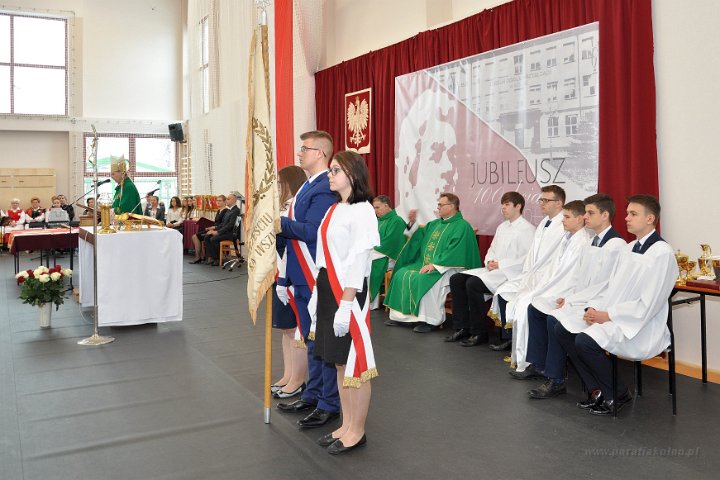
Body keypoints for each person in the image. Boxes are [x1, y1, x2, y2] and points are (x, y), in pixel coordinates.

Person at [551, 195, 677, 415]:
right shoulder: (629, 248)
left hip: (639, 324)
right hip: (615, 314)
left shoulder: (662, 253)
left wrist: (608, 315)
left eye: (633, 214)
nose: (626, 218)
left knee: (584, 341)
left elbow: (649, 304)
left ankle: (618, 393)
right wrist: (593, 309)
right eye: (627, 213)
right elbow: (611, 288)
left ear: (650, 219)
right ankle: (598, 390)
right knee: (563, 329)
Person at [526, 193, 625, 399]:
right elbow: (580, 278)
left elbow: (607, 286)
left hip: (599, 305)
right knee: (548, 314)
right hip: (583, 300)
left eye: (590, 213)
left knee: (556, 321)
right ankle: (554, 374)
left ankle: (558, 379)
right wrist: (568, 297)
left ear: (605, 215)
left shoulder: (616, 245)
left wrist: (582, 303)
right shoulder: (592, 242)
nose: (585, 217)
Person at [313, 150, 379, 454]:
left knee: (355, 363)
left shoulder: (363, 210)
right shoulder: (334, 209)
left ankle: (357, 430)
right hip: (330, 290)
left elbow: (359, 259)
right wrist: (319, 294)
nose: (330, 175)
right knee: (339, 361)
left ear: (353, 174)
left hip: (348, 293)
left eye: (336, 170)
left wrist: (347, 302)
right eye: (330, 170)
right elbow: (324, 256)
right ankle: (346, 424)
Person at [275, 130, 339, 429]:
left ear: (321, 153)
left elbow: (312, 232)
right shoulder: (307, 186)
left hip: (314, 272)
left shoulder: (324, 187)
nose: (300, 153)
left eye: (305, 148)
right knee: (309, 339)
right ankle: (313, 394)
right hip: (299, 274)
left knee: (322, 342)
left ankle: (329, 402)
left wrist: (277, 223)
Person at [506, 200, 591, 377]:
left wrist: (560, 295)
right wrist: (542, 288)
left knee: (538, 309)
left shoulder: (582, 242)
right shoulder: (567, 238)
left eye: (567, 217)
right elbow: (554, 269)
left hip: (568, 293)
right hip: (557, 288)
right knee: (532, 307)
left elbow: (572, 276)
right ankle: (537, 362)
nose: (563, 220)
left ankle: (549, 370)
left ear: (579, 219)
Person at [446, 192, 535, 346]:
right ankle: (462, 327)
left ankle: (479, 332)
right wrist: (489, 261)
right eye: (502, 204)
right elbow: (492, 248)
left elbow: (526, 259)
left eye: (507, 204)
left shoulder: (528, 229)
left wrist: (501, 264)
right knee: (456, 279)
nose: (503, 208)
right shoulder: (502, 227)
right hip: (494, 269)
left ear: (518, 206)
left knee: (473, 284)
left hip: (511, 274)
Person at [384, 192, 481, 333]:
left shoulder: (462, 226)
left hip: (450, 267)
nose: (438, 207)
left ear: (452, 206)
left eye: (441, 205)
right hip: (426, 263)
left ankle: (430, 320)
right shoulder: (434, 224)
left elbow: (455, 251)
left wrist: (435, 265)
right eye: (438, 205)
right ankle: (404, 318)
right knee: (401, 274)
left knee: (424, 278)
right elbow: (417, 238)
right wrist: (412, 223)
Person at [489, 185, 566, 351]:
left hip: (548, 279)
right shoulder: (544, 223)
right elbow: (532, 255)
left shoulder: (563, 226)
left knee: (524, 303)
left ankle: (528, 349)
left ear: (559, 203)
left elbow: (554, 260)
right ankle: (511, 338)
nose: (542, 203)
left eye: (546, 200)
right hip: (532, 274)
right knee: (504, 291)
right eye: (541, 200)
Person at [271, 165, 310, 399]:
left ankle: (297, 379)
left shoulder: (296, 207)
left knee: (297, 331)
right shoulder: (282, 206)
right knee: (286, 329)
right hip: (279, 273)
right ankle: (288, 375)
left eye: (280, 183)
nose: (277, 187)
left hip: (293, 274)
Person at [368, 195, 411, 310]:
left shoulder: (397, 221)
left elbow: (390, 243)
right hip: (378, 253)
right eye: (374, 208)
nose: (375, 211)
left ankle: (371, 303)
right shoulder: (378, 221)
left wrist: (371, 249)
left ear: (386, 206)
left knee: (369, 264)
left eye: (377, 207)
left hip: (391, 257)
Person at [203, 193, 240, 266]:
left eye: (228, 199)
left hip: (231, 234)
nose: (226, 200)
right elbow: (223, 224)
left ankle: (218, 259)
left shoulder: (236, 210)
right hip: (225, 232)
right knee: (207, 237)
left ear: (234, 200)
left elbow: (230, 225)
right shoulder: (229, 210)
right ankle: (213, 258)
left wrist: (218, 232)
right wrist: (215, 229)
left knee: (213, 239)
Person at [188, 195, 227, 264]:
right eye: (217, 200)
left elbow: (223, 224)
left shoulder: (226, 211)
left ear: (224, 202)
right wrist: (210, 226)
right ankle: (199, 256)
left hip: (218, 231)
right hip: (214, 229)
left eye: (220, 201)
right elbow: (216, 222)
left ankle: (208, 257)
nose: (218, 202)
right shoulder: (219, 211)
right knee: (194, 236)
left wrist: (213, 228)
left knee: (206, 237)